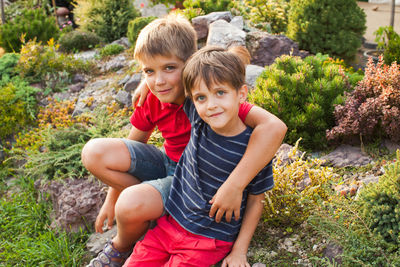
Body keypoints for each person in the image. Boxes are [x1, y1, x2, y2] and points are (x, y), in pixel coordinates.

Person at [82, 14, 287, 267]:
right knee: (95, 153)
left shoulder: (203, 102)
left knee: (134, 204)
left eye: (169, 68)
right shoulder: (157, 96)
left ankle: (152, 207)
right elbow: (135, 145)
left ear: (189, 63)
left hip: (200, 195)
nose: (159, 80)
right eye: (149, 71)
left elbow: (274, 126)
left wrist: (234, 186)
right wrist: (111, 200)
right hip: (170, 170)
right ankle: (141, 221)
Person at [123, 45, 275, 267]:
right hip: (169, 226)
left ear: (241, 94)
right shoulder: (197, 119)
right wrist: (146, 83)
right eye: (201, 97)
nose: (211, 105)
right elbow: (178, 76)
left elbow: (256, 201)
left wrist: (239, 251)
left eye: (221, 93)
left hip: (208, 241)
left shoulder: (255, 148)